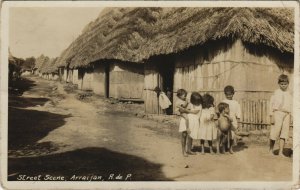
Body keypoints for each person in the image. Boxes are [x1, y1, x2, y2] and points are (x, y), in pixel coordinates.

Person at [269, 74, 293, 157]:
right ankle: (271, 150)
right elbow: (271, 105)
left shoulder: (289, 94)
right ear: (279, 84)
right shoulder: (276, 93)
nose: (283, 86)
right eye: (282, 84)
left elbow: (291, 105)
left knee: (284, 133)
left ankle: (281, 152)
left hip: (287, 114)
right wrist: (271, 116)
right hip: (277, 113)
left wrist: (291, 115)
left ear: (288, 84)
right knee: (275, 132)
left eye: (285, 84)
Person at [222, 85, 242, 151]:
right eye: (227, 95)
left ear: (233, 94)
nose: (229, 96)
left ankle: (230, 148)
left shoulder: (236, 103)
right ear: (225, 94)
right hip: (224, 120)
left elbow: (238, 113)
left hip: (233, 121)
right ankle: (224, 147)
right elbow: (220, 111)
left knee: (232, 135)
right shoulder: (223, 102)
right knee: (225, 134)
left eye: (230, 94)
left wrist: (238, 123)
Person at [175, 89, 190, 157]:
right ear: (180, 96)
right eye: (184, 96)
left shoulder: (183, 100)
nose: (185, 97)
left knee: (187, 135)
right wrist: (186, 102)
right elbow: (182, 108)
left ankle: (188, 149)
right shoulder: (179, 101)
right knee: (184, 135)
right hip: (182, 114)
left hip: (186, 114)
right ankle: (183, 151)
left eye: (186, 95)